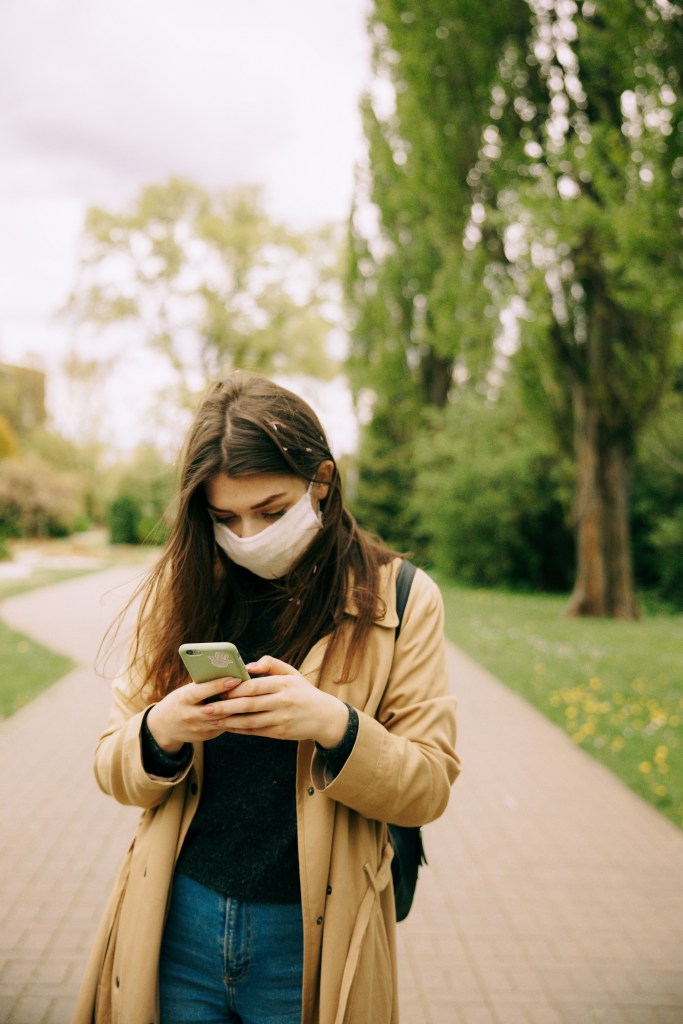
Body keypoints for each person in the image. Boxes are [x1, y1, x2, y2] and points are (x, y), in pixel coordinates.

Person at [73, 372, 460, 1024]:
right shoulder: (183, 588)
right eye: (225, 518)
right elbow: (113, 769)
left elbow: (427, 785)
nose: (248, 535)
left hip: (310, 932)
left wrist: (333, 725)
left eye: (273, 511)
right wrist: (160, 729)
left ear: (323, 482)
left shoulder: (400, 597)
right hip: (176, 920)